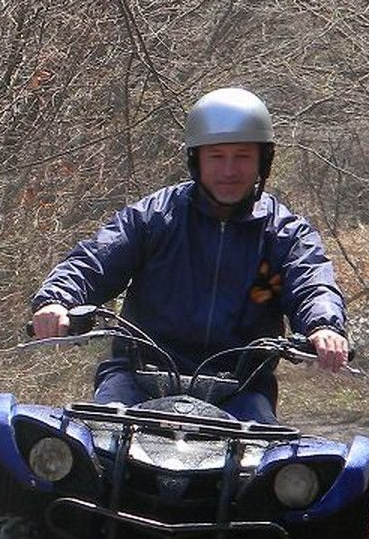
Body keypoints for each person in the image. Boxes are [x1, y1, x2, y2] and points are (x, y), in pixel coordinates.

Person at [28, 86, 348, 423]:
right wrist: (56, 301)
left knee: (271, 466)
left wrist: (323, 326)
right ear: (196, 160)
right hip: (138, 379)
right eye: (216, 156)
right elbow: (95, 259)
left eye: (241, 156)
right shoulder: (154, 216)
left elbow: (312, 281)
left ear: (262, 162)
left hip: (241, 389)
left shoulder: (285, 234)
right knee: (89, 445)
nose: (229, 171)